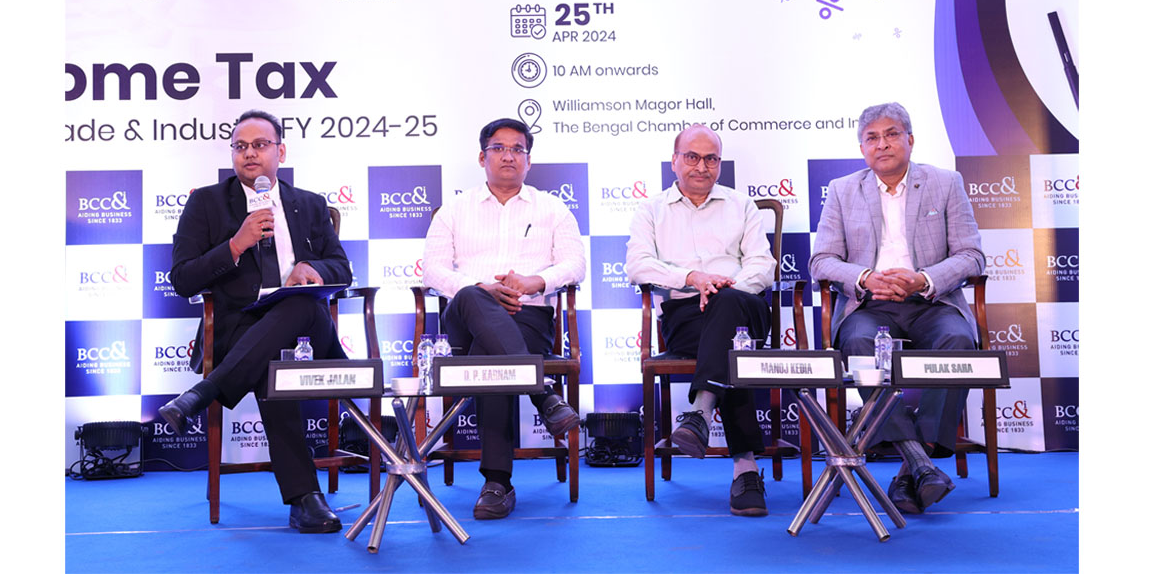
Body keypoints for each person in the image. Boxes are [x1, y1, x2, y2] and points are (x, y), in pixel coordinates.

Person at [159, 109, 352, 533]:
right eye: (240, 146)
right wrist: (235, 244)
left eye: (260, 145)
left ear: (280, 151)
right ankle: (305, 498)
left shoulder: (309, 204)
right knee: (273, 363)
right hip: (241, 332)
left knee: (300, 304)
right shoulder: (206, 202)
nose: (250, 154)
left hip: (309, 335)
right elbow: (182, 278)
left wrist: (312, 269)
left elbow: (343, 268)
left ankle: (203, 393)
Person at [809, 101, 985, 515]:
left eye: (891, 134)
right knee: (857, 343)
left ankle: (912, 466)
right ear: (862, 148)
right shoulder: (842, 189)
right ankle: (921, 465)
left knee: (959, 340)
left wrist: (923, 278)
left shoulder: (945, 183)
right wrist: (865, 277)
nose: (882, 144)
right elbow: (822, 261)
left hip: (930, 300)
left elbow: (971, 255)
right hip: (870, 306)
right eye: (872, 138)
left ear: (910, 139)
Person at [421, 117, 586, 520]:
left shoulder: (552, 208)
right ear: (482, 157)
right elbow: (432, 271)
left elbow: (576, 264)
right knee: (476, 298)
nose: (509, 155)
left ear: (529, 161)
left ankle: (497, 481)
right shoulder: (454, 210)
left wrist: (534, 282)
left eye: (518, 149)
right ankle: (543, 393)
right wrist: (482, 288)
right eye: (499, 148)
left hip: (528, 317)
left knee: (491, 356)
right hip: (464, 318)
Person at [624, 124, 777, 517]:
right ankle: (745, 469)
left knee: (728, 312)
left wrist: (728, 286)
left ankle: (700, 414)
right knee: (729, 351)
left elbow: (762, 264)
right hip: (687, 313)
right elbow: (637, 265)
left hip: (745, 306)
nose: (701, 166)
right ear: (675, 161)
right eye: (692, 157)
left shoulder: (741, 205)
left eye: (710, 159)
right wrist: (692, 279)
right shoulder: (651, 210)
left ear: (720, 164)